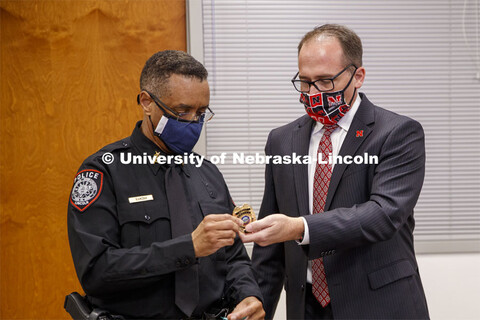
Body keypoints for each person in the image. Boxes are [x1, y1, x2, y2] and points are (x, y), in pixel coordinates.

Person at [241, 24, 429, 319]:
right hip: (306, 306)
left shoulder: (398, 133)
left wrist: (301, 228)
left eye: (326, 81)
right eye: (305, 81)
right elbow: (270, 246)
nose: (313, 92)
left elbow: (383, 215)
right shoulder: (281, 140)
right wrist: (257, 301)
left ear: (358, 77)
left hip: (378, 303)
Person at [67, 50, 265, 320]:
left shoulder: (207, 173)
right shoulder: (104, 171)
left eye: (201, 113)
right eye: (182, 111)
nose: (193, 122)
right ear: (147, 102)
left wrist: (248, 295)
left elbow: (233, 256)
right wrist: (188, 248)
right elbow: (97, 271)